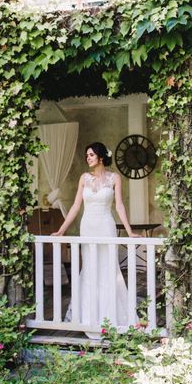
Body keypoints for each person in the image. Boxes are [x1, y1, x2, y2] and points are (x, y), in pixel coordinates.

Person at [52, 142, 140, 338]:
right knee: (90, 269)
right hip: (88, 227)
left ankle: (112, 318)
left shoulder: (114, 178)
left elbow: (119, 206)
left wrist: (129, 231)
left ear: (101, 157)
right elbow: (75, 206)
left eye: (91, 155)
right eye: (87, 155)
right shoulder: (84, 178)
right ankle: (89, 317)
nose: (88, 158)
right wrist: (61, 230)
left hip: (105, 226)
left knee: (109, 269)